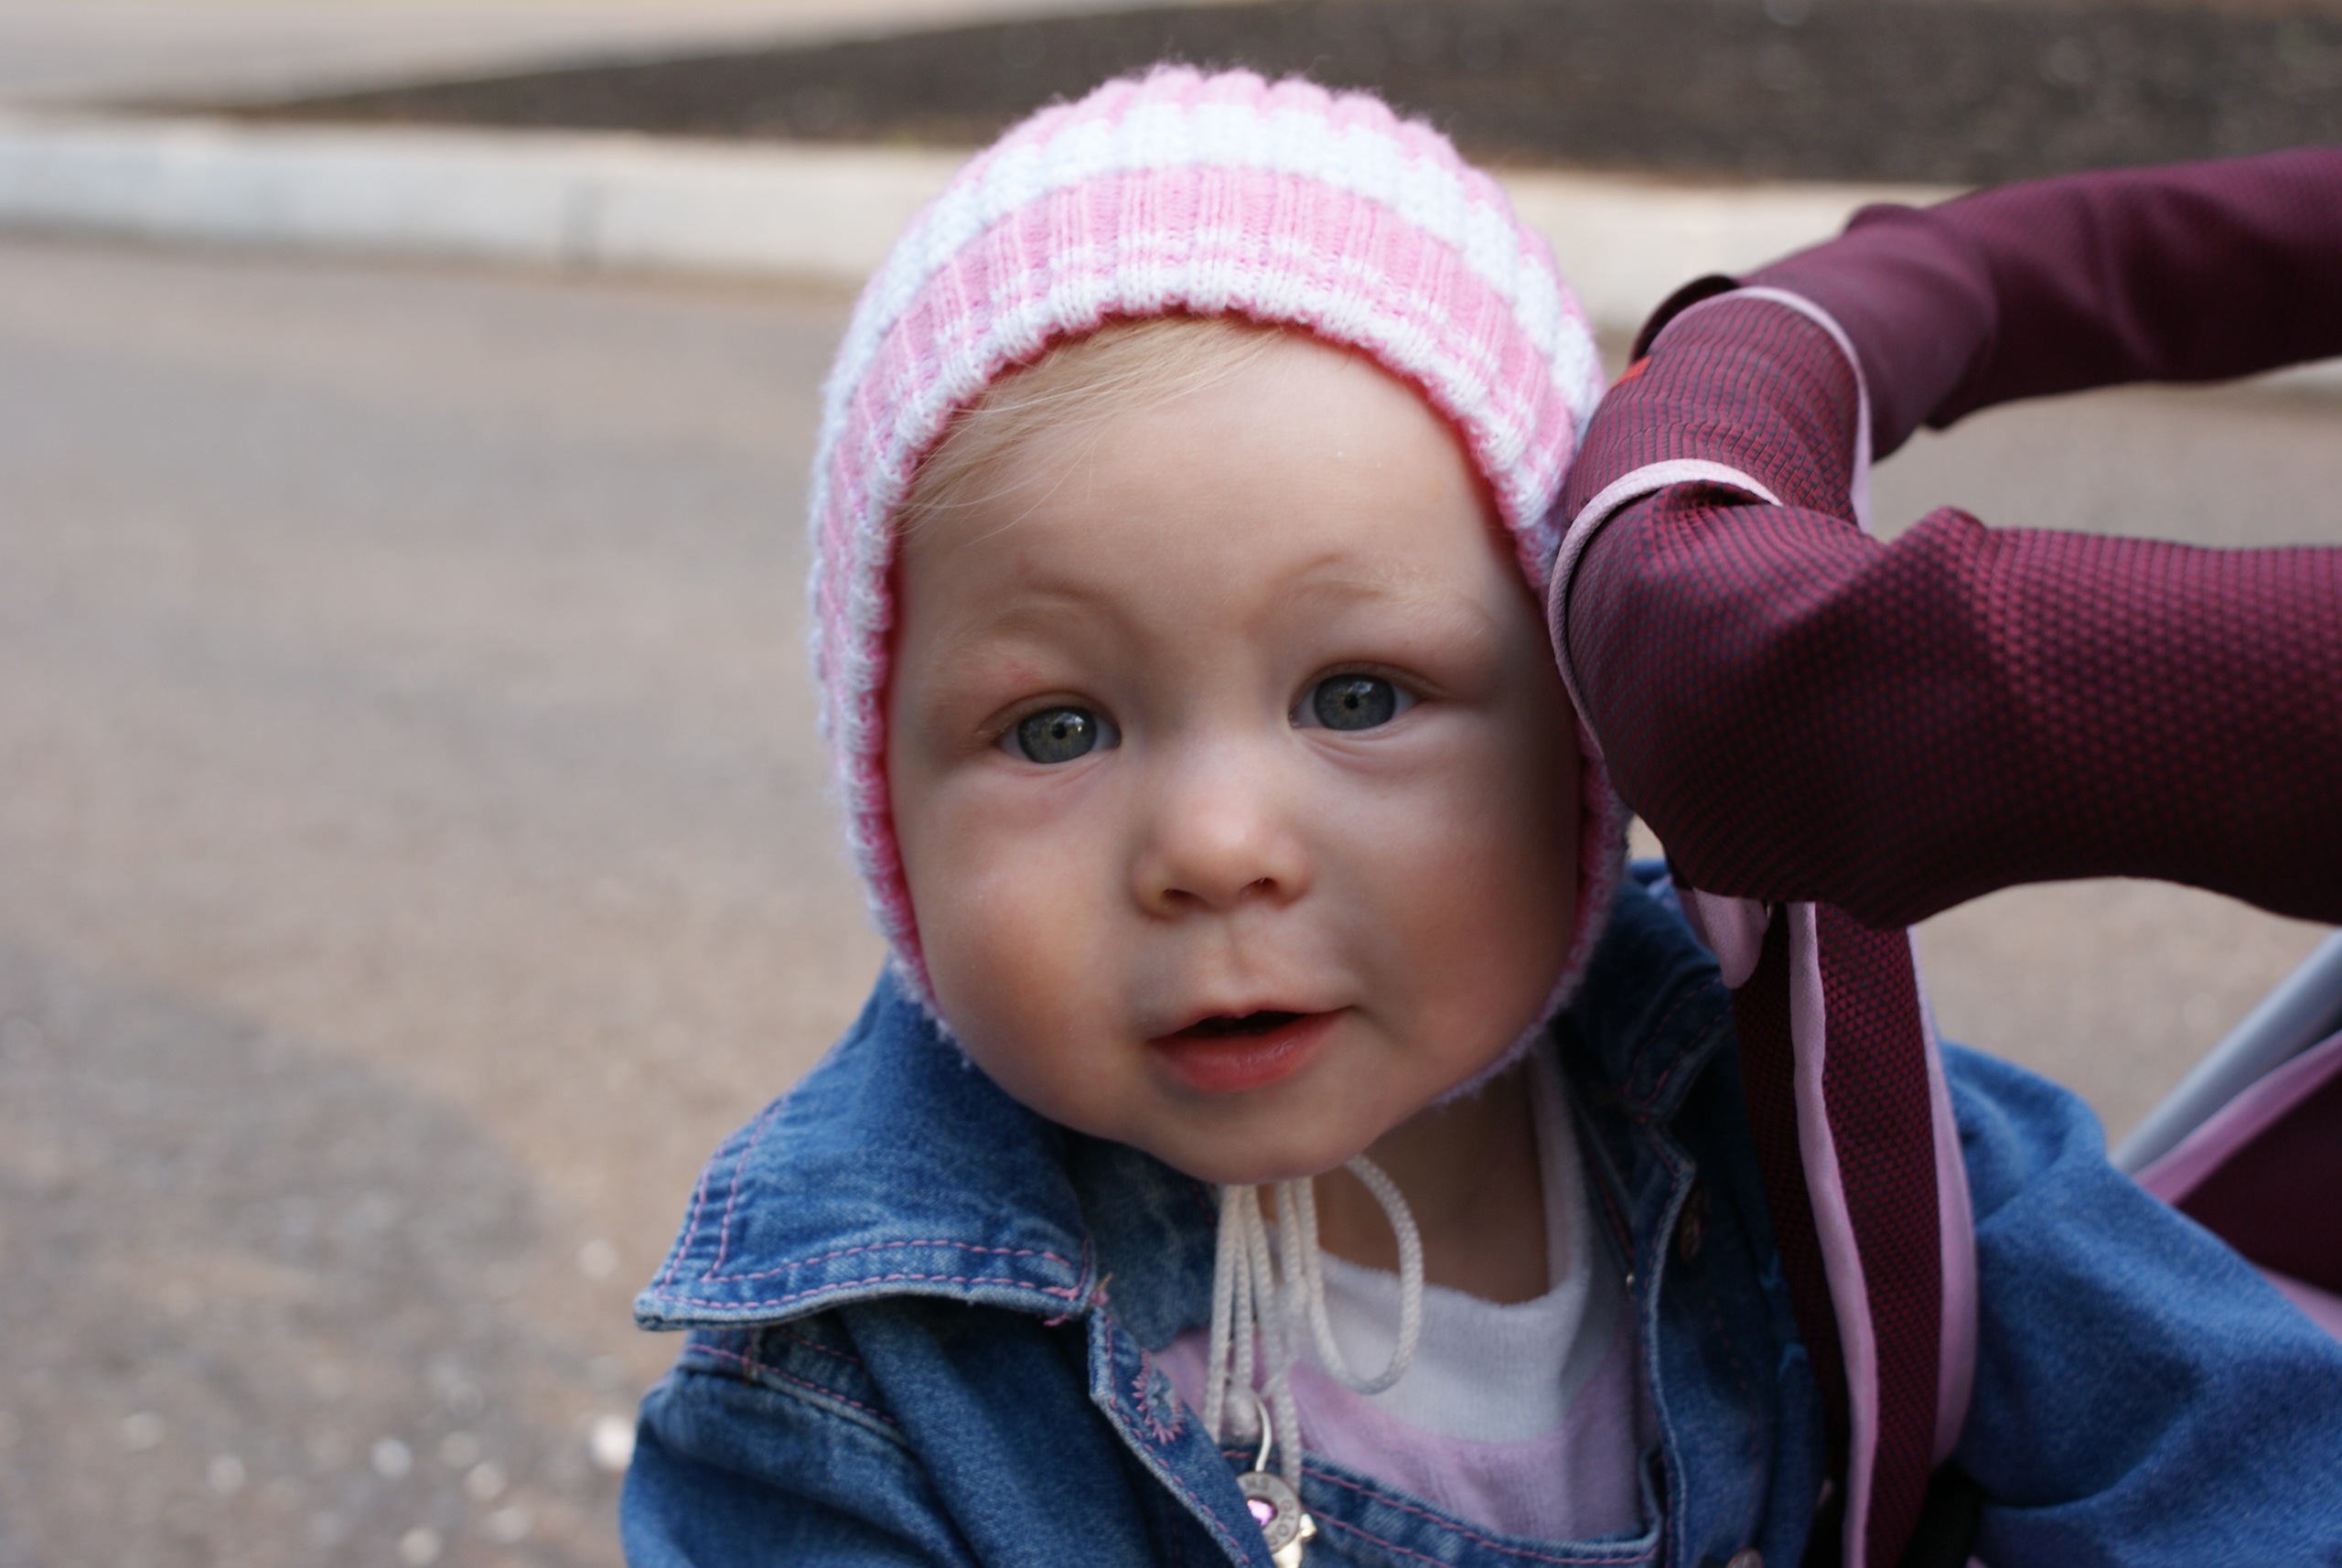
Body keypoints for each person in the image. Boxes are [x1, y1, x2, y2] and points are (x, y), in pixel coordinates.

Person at [618, 72, 2342, 1568]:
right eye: (1055, 727)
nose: (1214, 846)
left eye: (1359, 695)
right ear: (889, 803)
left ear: (1578, 741)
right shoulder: (853, 1377)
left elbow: (2229, 1448)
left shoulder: (1800, 1109)